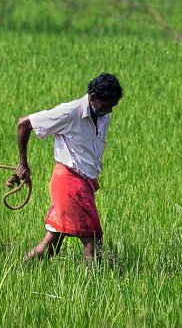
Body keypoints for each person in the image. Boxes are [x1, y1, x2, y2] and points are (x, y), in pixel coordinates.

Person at [14, 73, 122, 263]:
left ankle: (18, 271)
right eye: (106, 106)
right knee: (92, 240)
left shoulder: (102, 116)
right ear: (93, 97)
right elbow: (24, 123)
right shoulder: (70, 112)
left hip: (84, 184)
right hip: (69, 182)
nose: (109, 111)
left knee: (50, 247)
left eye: (112, 107)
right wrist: (23, 164)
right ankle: (94, 289)